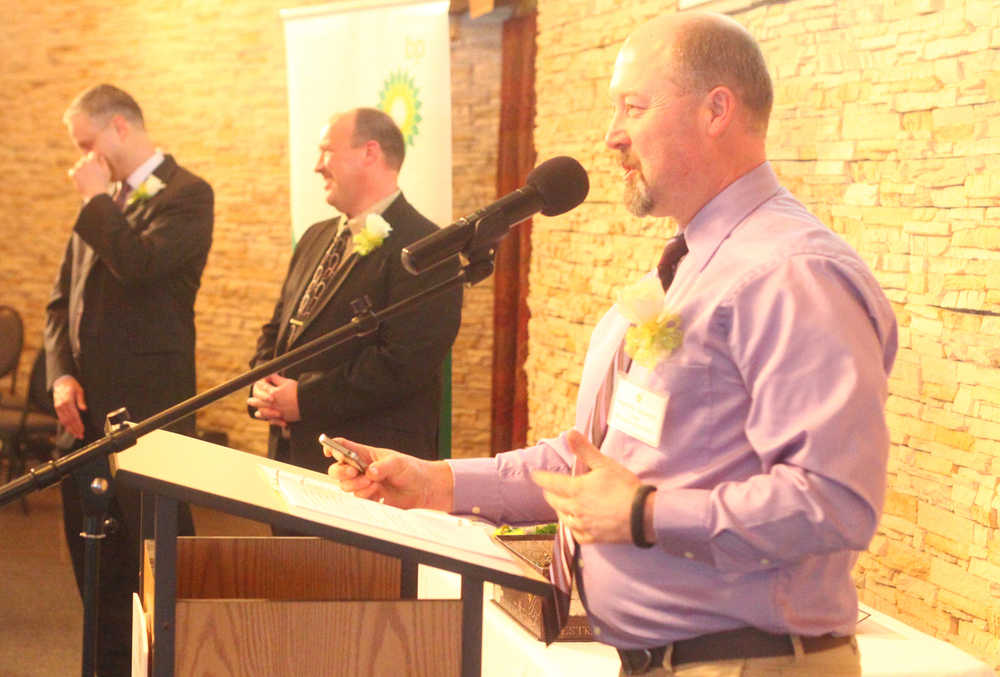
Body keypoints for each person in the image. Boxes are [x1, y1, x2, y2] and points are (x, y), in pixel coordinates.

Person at [328, 12, 898, 677]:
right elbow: (592, 469)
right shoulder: (687, 271)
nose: (611, 136)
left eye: (634, 106)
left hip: (748, 663)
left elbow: (835, 503)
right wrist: (437, 481)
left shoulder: (792, 275)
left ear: (717, 110)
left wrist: (646, 513)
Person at [44, 83, 213, 676]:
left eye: (88, 145)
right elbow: (59, 305)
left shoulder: (188, 195)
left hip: (147, 423)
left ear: (120, 127)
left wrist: (96, 202)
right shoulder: (103, 200)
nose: (82, 163)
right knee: (95, 583)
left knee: (151, 584)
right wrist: (61, 378)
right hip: (82, 426)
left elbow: (141, 268)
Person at [248, 107, 462, 478]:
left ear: (370, 153)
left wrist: (304, 399)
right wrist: (264, 385)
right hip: (289, 452)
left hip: (366, 467)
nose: (317, 165)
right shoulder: (315, 236)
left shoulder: (428, 247)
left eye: (327, 150)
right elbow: (280, 326)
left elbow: (403, 362)